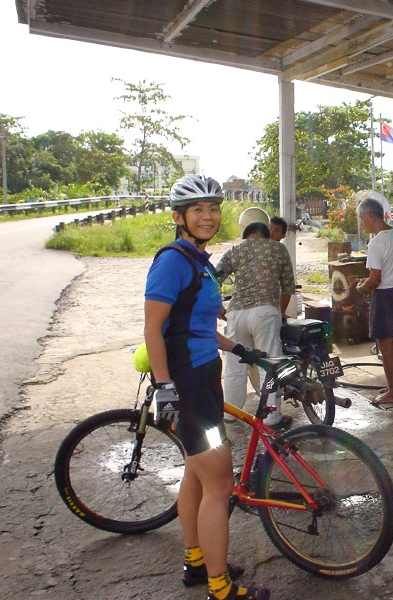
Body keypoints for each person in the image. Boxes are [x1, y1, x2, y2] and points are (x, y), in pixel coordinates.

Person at [143, 174, 271, 600]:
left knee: (196, 475)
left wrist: (242, 350)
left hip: (204, 375)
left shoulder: (198, 260)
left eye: (213, 208)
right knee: (219, 485)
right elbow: (153, 329)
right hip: (189, 383)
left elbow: (196, 326)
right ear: (179, 217)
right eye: (197, 209)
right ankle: (220, 588)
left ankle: (197, 562)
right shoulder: (173, 261)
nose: (207, 216)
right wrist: (165, 388)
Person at [216, 219, 296, 429]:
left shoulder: (236, 250)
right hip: (265, 314)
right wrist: (279, 312)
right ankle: (271, 418)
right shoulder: (278, 249)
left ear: (247, 236)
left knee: (235, 366)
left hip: (236, 314)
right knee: (268, 366)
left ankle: (231, 413)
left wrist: (217, 306)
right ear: (265, 234)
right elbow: (287, 287)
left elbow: (213, 278)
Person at [355, 197, 393, 405]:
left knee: (384, 344)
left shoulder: (377, 242)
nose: (362, 223)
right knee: (391, 341)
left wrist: (362, 286)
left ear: (371, 216)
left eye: (362, 218)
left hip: (386, 296)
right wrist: (369, 280)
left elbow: (376, 279)